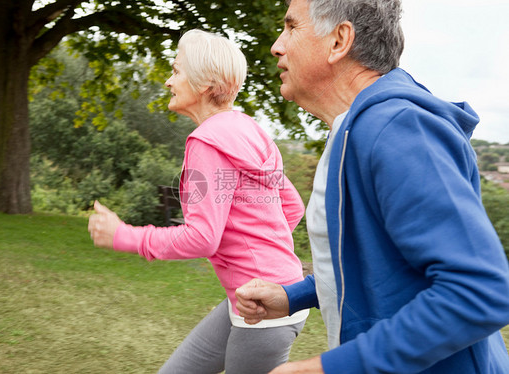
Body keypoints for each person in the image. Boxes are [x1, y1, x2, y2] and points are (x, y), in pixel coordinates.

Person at [235, 0, 509, 373]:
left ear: (339, 40)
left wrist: (329, 368)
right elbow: (383, 263)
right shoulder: (352, 129)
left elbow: (478, 291)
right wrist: (292, 295)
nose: (276, 45)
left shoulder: (396, 127)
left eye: (291, 27)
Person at [87, 29, 309, 374]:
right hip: (263, 291)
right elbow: (292, 206)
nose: (168, 81)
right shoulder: (252, 131)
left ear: (205, 84)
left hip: (261, 306)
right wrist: (257, 253)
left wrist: (124, 235)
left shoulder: (206, 142)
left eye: (176, 71)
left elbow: (202, 237)